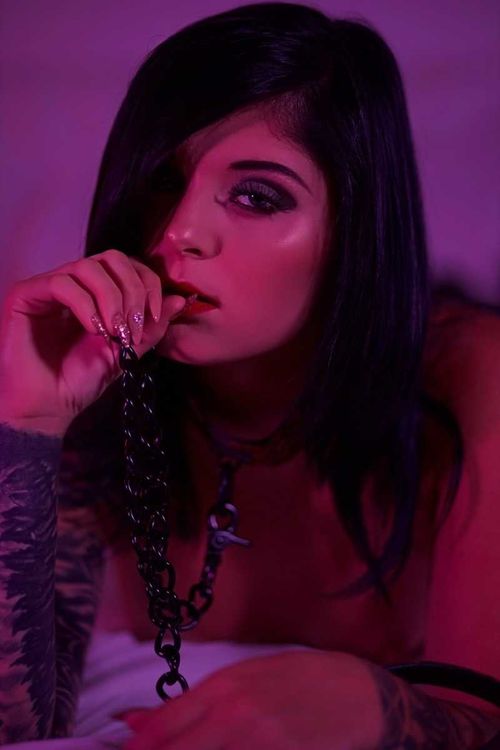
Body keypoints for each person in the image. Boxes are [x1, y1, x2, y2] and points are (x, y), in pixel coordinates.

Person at [0, 2, 499, 747]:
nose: (179, 233)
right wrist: (28, 421)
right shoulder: (98, 374)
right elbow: (18, 723)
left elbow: (483, 715)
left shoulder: (473, 379)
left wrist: (379, 710)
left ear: (355, 230)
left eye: (257, 196)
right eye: (162, 181)